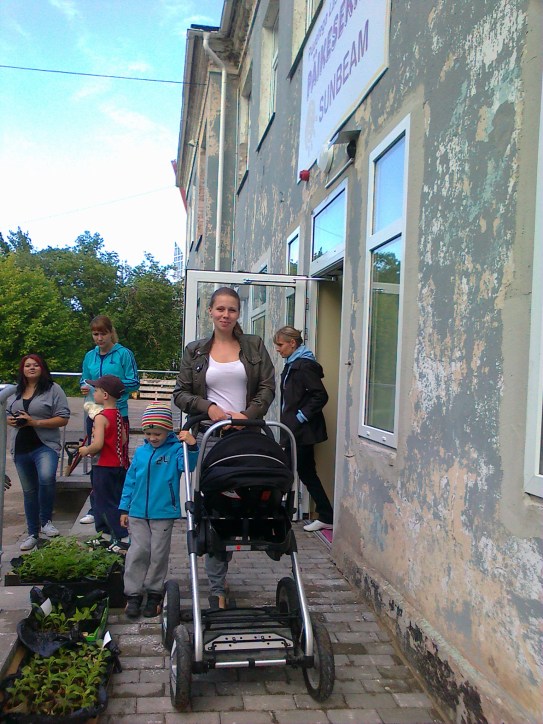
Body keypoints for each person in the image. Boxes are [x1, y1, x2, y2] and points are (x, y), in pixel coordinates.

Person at [173, 286, 275, 609]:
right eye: (220, 309)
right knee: (214, 511)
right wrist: (210, 408)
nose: (225, 315)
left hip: (247, 437)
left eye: (232, 310)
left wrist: (247, 415)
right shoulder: (195, 351)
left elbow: (267, 387)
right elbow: (181, 393)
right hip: (210, 437)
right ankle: (217, 587)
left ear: (238, 313)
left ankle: (264, 540)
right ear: (210, 312)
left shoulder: (254, 346)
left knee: (249, 503)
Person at [119, 403, 198, 618]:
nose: (152, 438)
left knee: (158, 553)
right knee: (138, 551)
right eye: (148, 433)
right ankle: (133, 594)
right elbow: (130, 481)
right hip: (137, 511)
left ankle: (154, 592)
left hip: (163, 511)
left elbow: (188, 466)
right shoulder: (141, 452)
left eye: (157, 433)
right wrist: (124, 507)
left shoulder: (176, 450)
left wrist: (192, 446)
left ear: (168, 430)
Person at [6, 354, 70, 551]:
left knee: (46, 478)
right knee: (29, 491)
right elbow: (6, 413)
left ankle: (46, 521)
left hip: (45, 445)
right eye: (27, 365)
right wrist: (10, 420)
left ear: (42, 368)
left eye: (35, 365)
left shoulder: (53, 389)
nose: (31, 368)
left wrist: (34, 422)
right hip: (21, 447)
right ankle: (32, 533)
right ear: (22, 369)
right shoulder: (15, 391)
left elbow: (64, 418)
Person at [79, 315, 139, 525]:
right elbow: (84, 378)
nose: (99, 338)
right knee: (96, 459)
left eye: (103, 333)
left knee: (118, 459)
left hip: (118, 413)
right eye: (95, 334)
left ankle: (121, 506)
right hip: (94, 413)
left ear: (111, 333)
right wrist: (84, 386)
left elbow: (134, 382)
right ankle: (96, 508)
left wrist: (110, 386)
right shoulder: (90, 356)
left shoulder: (124, 354)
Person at [273, 326, 334, 532]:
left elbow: (320, 395)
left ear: (292, 343)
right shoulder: (293, 363)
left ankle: (325, 515)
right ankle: (281, 511)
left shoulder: (304, 366)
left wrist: (300, 417)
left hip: (302, 432)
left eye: (280, 345)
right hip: (294, 429)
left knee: (300, 471)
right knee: (295, 470)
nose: (278, 349)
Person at [78, 374, 128, 545]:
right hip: (118, 465)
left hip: (103, 465)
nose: (94, 393)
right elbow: (123, 440)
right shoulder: (118, 414)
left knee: (102, 502)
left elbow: (97, 444)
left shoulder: (101, 417)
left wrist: (86, 450)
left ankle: (113, 536)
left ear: (105, 395)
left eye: (96, 390)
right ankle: (115, 535)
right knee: (115, 500)